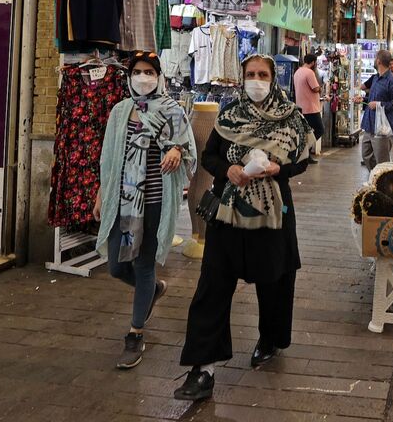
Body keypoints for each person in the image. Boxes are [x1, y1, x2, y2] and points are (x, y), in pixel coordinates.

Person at [175, 54, 315, 401]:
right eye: (250, 74)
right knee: (213, 288)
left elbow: (303, 160)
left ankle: (270, 338)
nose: (256, 80)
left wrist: (278, 170)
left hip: (273, 216)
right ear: (242, 78)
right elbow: (209, 156)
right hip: (228, 214)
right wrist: (228, 170)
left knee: (274, 282)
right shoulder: (229, 116)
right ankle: (202, 369)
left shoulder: (292, 119)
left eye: (262, 74)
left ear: (273, 78)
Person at [93, 51, 196, 370]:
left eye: (149, 71)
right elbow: (108, 158)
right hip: (121, 201)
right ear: (129, 76)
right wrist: (101, 193)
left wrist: (177, 150)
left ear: (158, 75)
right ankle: (152, 291)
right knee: (115, 265)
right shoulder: (120, 111)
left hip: (155, 202)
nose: (143, 77)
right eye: (137, 71)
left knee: (143, 264)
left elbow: (188, 149)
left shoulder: (172, 110)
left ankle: (135, 333)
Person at [360, 49, 393, 169]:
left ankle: (383, 184)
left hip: (383, 127)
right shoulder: (376, 78)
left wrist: (379, 105)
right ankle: (375, 177)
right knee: (366, 155)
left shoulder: (392, 81)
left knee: (382, 162)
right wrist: (363, 100)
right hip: (369, 124)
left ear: (378, 61)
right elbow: (372, 98)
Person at [293, 53, 323, 158]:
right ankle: (304, 150)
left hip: (301, 107)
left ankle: (306, 155)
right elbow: (315, 88)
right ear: (313, 62)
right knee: (319, 129)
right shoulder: (309, 72)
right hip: (311, 108)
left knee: (306, 131)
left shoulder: (298, 71)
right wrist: (320, 88)